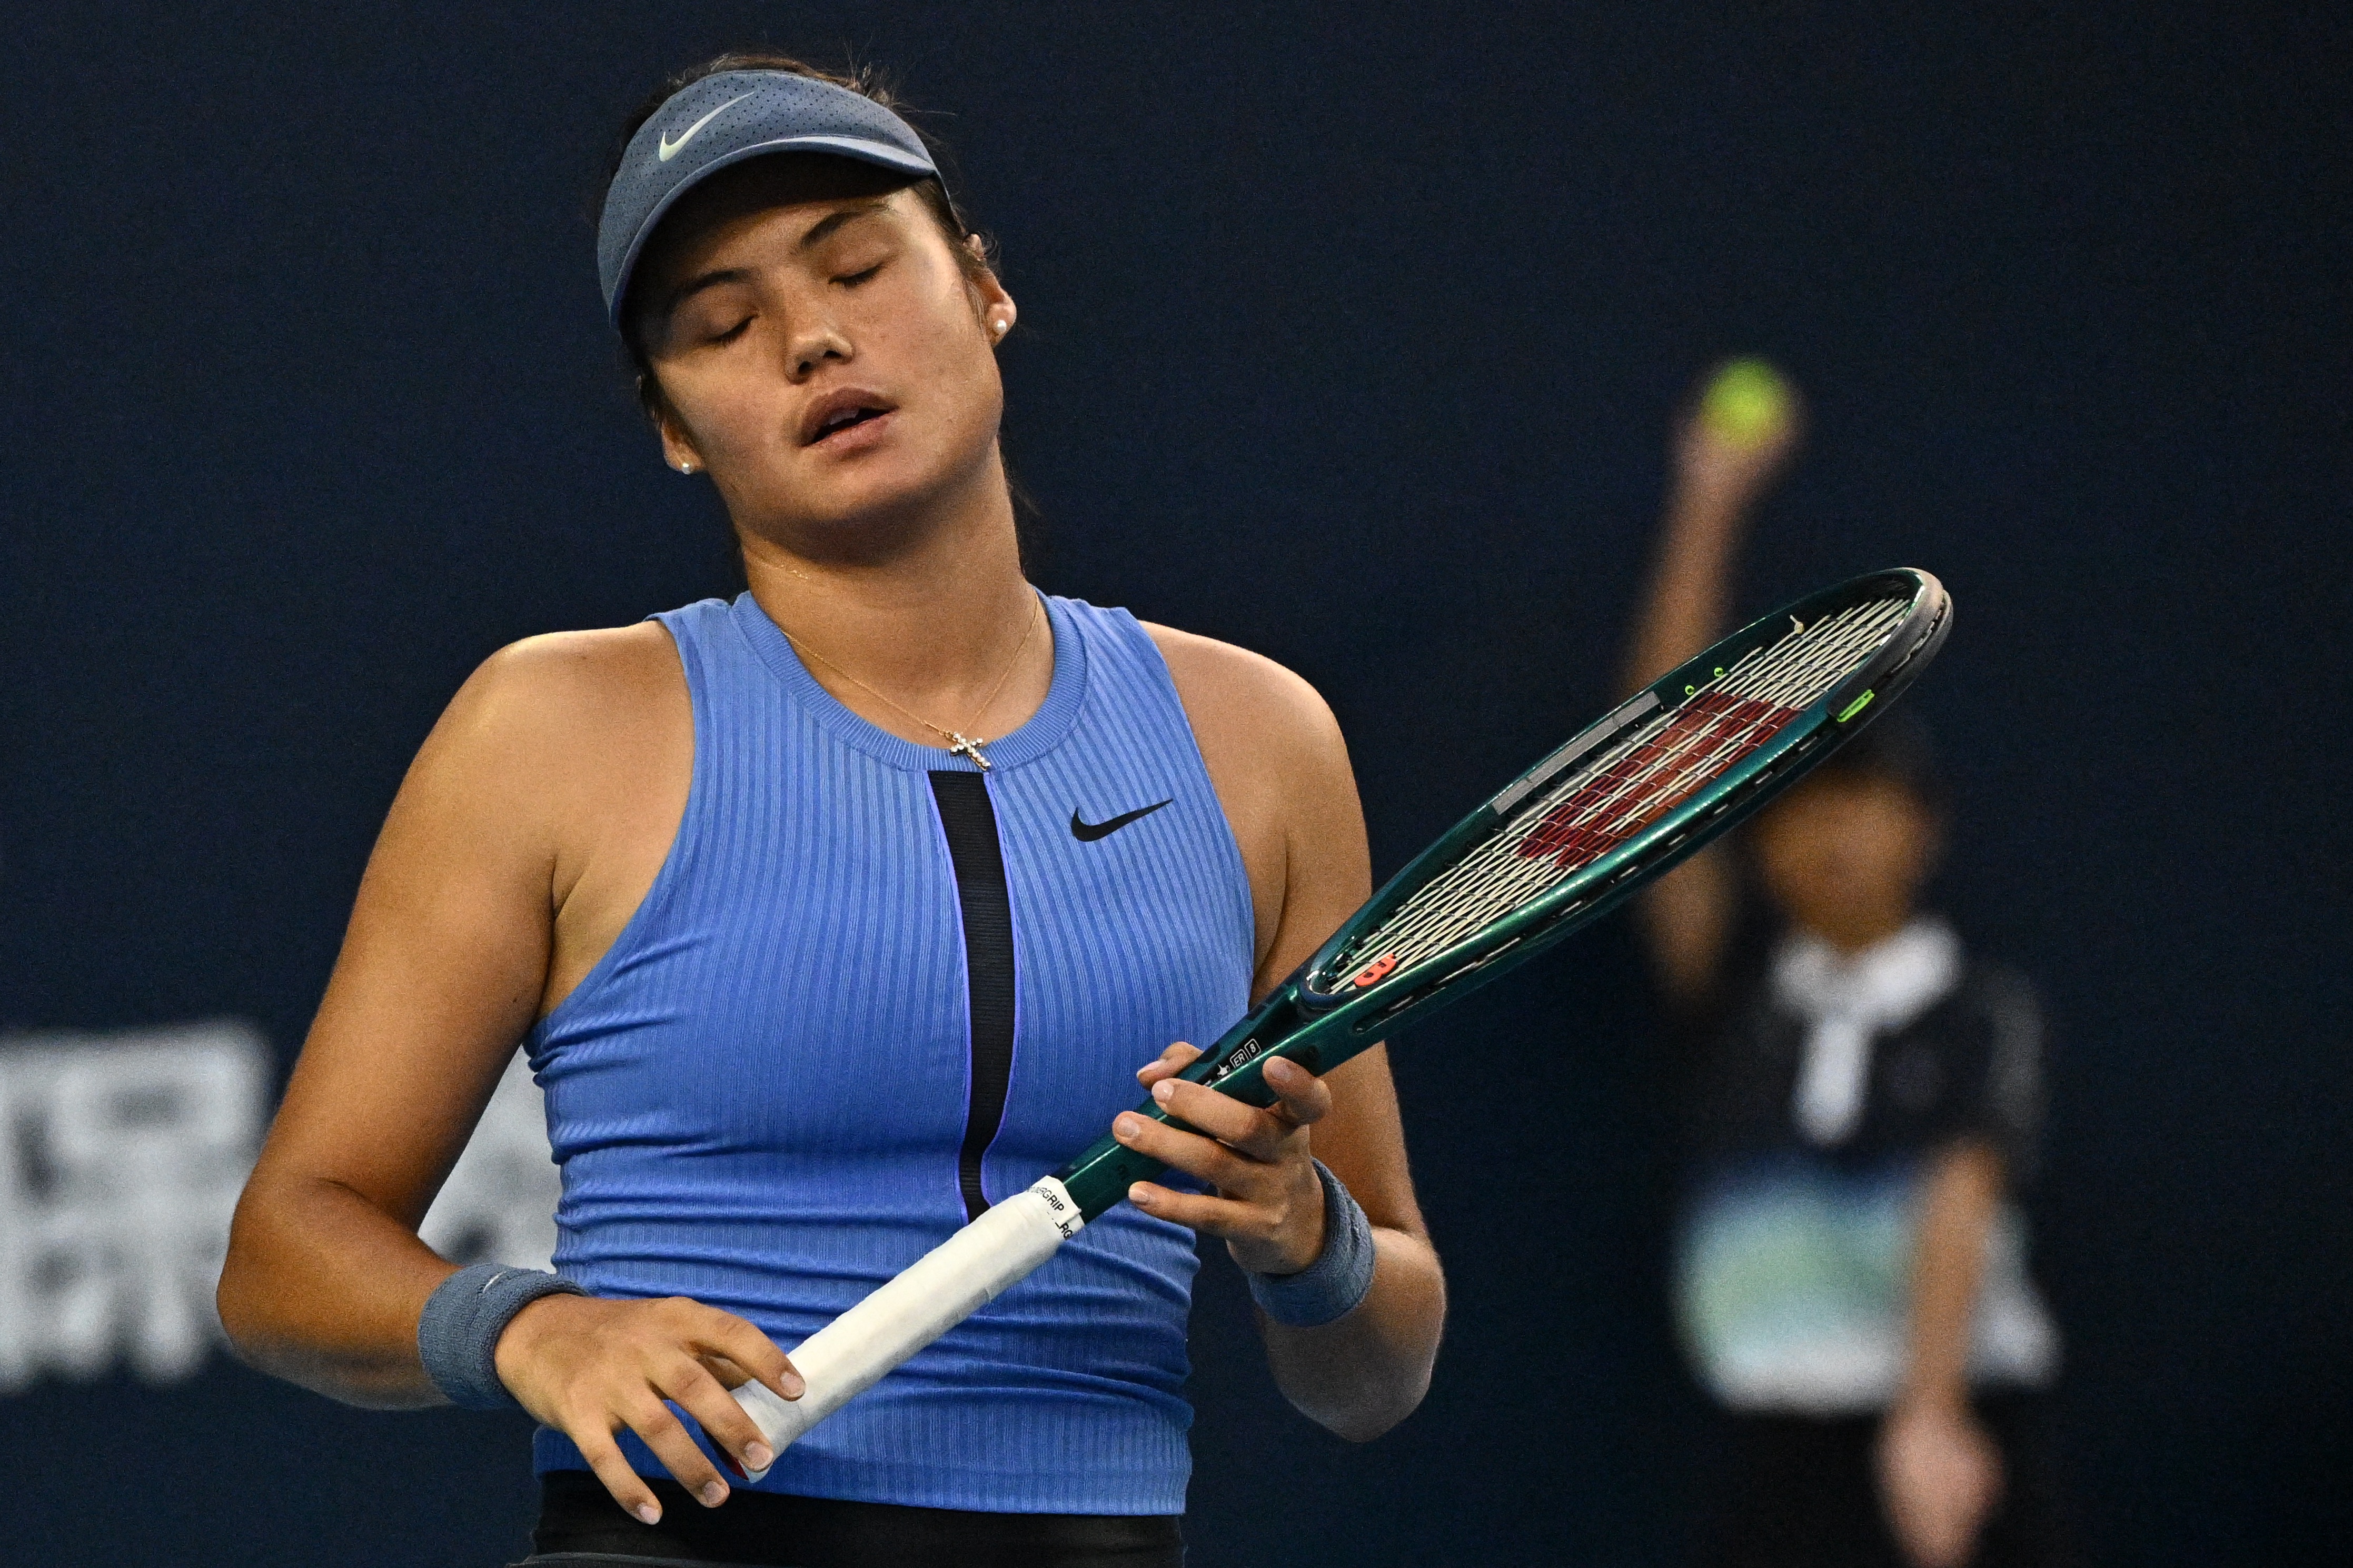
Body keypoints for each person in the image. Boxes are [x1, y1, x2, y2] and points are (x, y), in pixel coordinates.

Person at [217, 54, 1445, 1568]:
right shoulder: (546, 727)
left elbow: (1378, 1364)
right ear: (673, 426)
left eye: (859, 264)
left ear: (984, 289)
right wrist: (532, 1328)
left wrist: (1304, 1237)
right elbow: (284, 1251)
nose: (811, 338)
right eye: (720, 325)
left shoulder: (1258, 738)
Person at [1626, 366, 2062, 1568]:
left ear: (1926, 828)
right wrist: (1709, 500)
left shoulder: (1979, 1007)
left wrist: (1927, 1414)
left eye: (1868, 799)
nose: (1835, 830)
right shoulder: (1736, 991)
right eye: (1806, 802)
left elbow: (1961, 1193)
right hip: (1774, 1463)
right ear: (1758, 839)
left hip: (1956, 1447)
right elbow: (1656, 766)